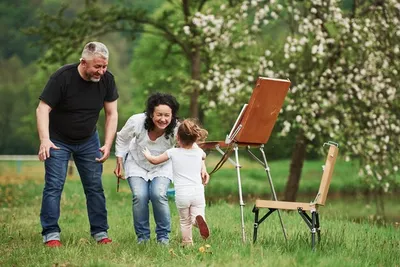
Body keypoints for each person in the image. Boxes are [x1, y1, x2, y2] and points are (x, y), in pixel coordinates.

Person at [36, 41, 118, 247]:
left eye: (104, 66)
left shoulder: (107, 80)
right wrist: (45, 139)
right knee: (54, 186)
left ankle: (100, 232)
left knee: (94, 187)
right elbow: (42, 109)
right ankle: (51, 234)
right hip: (58, 141)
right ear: (83, 62)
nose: (101, 71)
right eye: (97, 67)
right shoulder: (62, 78)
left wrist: (108, 144)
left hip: (89, 140)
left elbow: (111, 113)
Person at [114, 93, 209, 245]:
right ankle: (143, 238)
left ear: (172, 115)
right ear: (151, 114)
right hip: (137, 162)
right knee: (140, 196)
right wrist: (119, 160)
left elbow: (193, 148)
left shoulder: (177, 127)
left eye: (167, 115)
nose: (163, 119)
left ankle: (163, 238)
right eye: (159, 115)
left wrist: (202, 168)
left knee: (158, 194)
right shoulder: (136, 121)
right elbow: (122, 138)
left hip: (163, 165)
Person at [142, 118, 210, 246]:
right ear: (195, 139)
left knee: (185, 221)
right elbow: (202, 155)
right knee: (197, 214)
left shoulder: (173, 152)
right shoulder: (199, 152)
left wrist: (147, 154)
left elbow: (155, 161)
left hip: (182, 194)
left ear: (177, 138)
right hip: (198, 192)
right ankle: (197, 220)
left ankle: (187, 242)